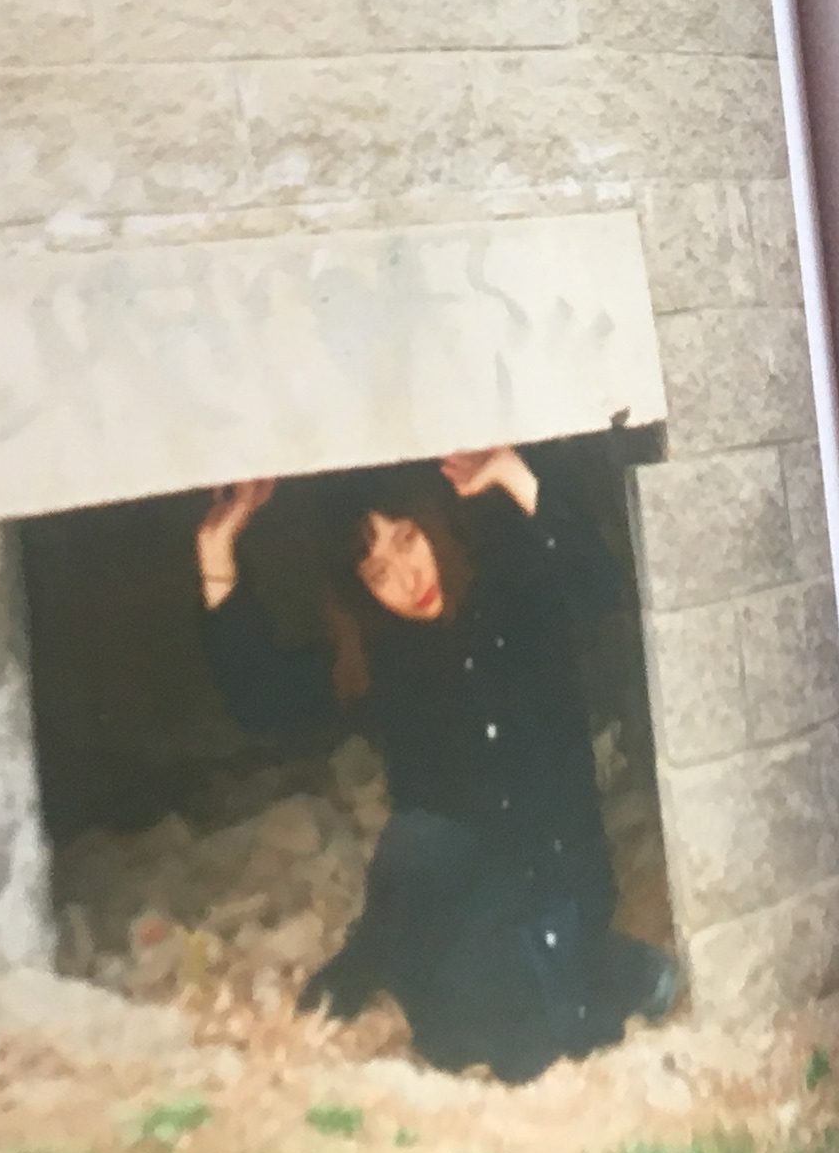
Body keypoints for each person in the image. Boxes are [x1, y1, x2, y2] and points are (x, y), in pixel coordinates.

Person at [194, 444, 679, 1083]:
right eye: (377, 571)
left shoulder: (515, 589)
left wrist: (513, 474)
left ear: (434, 521)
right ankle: (418, 953)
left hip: (554, 873)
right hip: (448, 889)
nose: (406, 578)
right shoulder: (384, 652)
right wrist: (216, 551)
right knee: (453, 1018)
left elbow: (599, 584)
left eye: (407, 539)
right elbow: (265, 701)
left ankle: (606, 969)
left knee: (531, 1035)